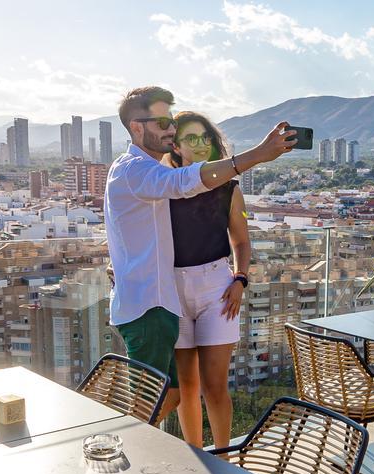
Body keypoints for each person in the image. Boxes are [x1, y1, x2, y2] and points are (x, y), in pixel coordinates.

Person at [105, 86, 294, 424]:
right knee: (148, 403)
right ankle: (117, 451)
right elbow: (184, 181)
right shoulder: (135, 170)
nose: (170, 130)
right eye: (162, 122)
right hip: (148, 307)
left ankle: (127, 447)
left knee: (170, 394)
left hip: (158, 304)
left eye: (170, 122)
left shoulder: (137, 169)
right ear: (136, 127)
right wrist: (256, 155)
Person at [165, 112, 248, 447]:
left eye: (205, 138)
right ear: (176, 145)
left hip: (217, 289)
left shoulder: (229, 189)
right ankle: (195, 461)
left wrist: (240, 279)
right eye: (191, 138)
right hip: (171, 291)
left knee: (214, 385)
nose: (199, 145)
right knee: (186, 387)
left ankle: (225, 459)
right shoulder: (162, 187)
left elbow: (241, 240)